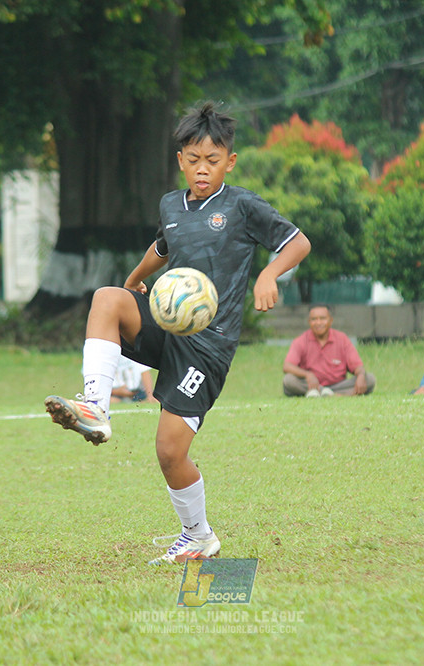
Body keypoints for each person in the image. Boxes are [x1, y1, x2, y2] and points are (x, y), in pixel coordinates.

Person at [44, 101, 311, 565]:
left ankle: (198, 534)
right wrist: (133, 281)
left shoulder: (242, 205)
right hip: (169, 327)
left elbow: (297, 242)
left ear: (230, 161)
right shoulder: (172, 204)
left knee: (169, 451)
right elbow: (163, 248)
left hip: (207, 348)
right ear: (180, 160)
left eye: (213, 160)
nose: (202, 169)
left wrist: (270, 275)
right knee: (107, 298)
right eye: (193, 160)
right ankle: (95, 407)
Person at [282, 304, 375, 397]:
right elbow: (287, 366)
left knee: (369, 379)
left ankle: (328, 393)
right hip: (311, 385)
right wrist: (308, 375)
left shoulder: (342, 339)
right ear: (309, 322)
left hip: (338, 385)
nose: (318, 323)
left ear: (331, 321)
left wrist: (361, 376)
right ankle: (331, 394)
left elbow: (357, 366)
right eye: (314, 319)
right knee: (288, 381)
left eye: (322, 318)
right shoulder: (301, 341)